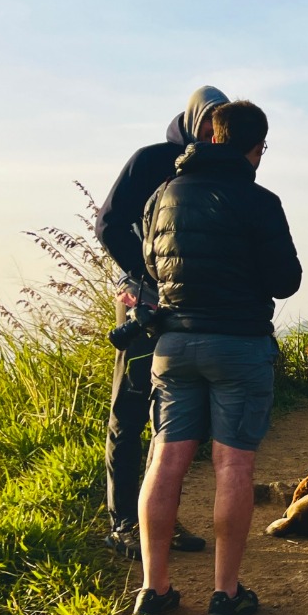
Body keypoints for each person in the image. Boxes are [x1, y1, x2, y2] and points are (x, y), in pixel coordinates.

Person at [131, 100, 302, 615]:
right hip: (239, 346)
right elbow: (285, 281)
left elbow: (150, 266)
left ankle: (153, 590)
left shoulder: (162, 195)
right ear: (256, 147)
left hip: (174, 347)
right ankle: (225, 596)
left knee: (165, 460)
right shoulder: (259, 201)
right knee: (233, 465)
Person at [94, 86, 228, 562]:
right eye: (210, 122)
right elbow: (109, 223)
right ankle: (123, 521)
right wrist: (144, 274)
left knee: (169, 417)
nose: (216, 131)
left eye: (223, 123)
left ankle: (157, 516)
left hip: (191, 308)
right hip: (145, 303)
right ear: (194, 119)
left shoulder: (220, 169)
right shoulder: (152, 160)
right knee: (128, 411)